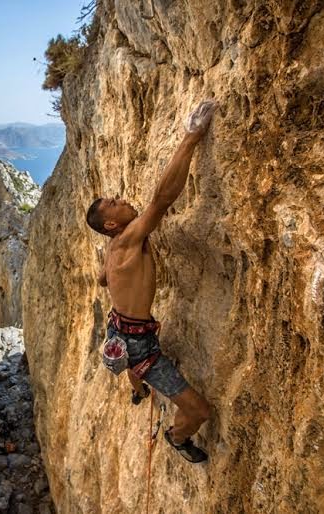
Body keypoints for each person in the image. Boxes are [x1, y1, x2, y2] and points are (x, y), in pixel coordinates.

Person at [86, 100, 217, 463]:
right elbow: (162, 199)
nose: (122, 198)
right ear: (112, 224)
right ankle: (176, 438)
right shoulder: (127, 238)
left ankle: (136, 386)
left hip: (119, 330)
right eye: (114, 202)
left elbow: (101, 278)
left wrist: (113, 277)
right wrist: (192, 137)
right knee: (199, 412)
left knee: (130, 361)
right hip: (140, 346)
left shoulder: (113, 247)